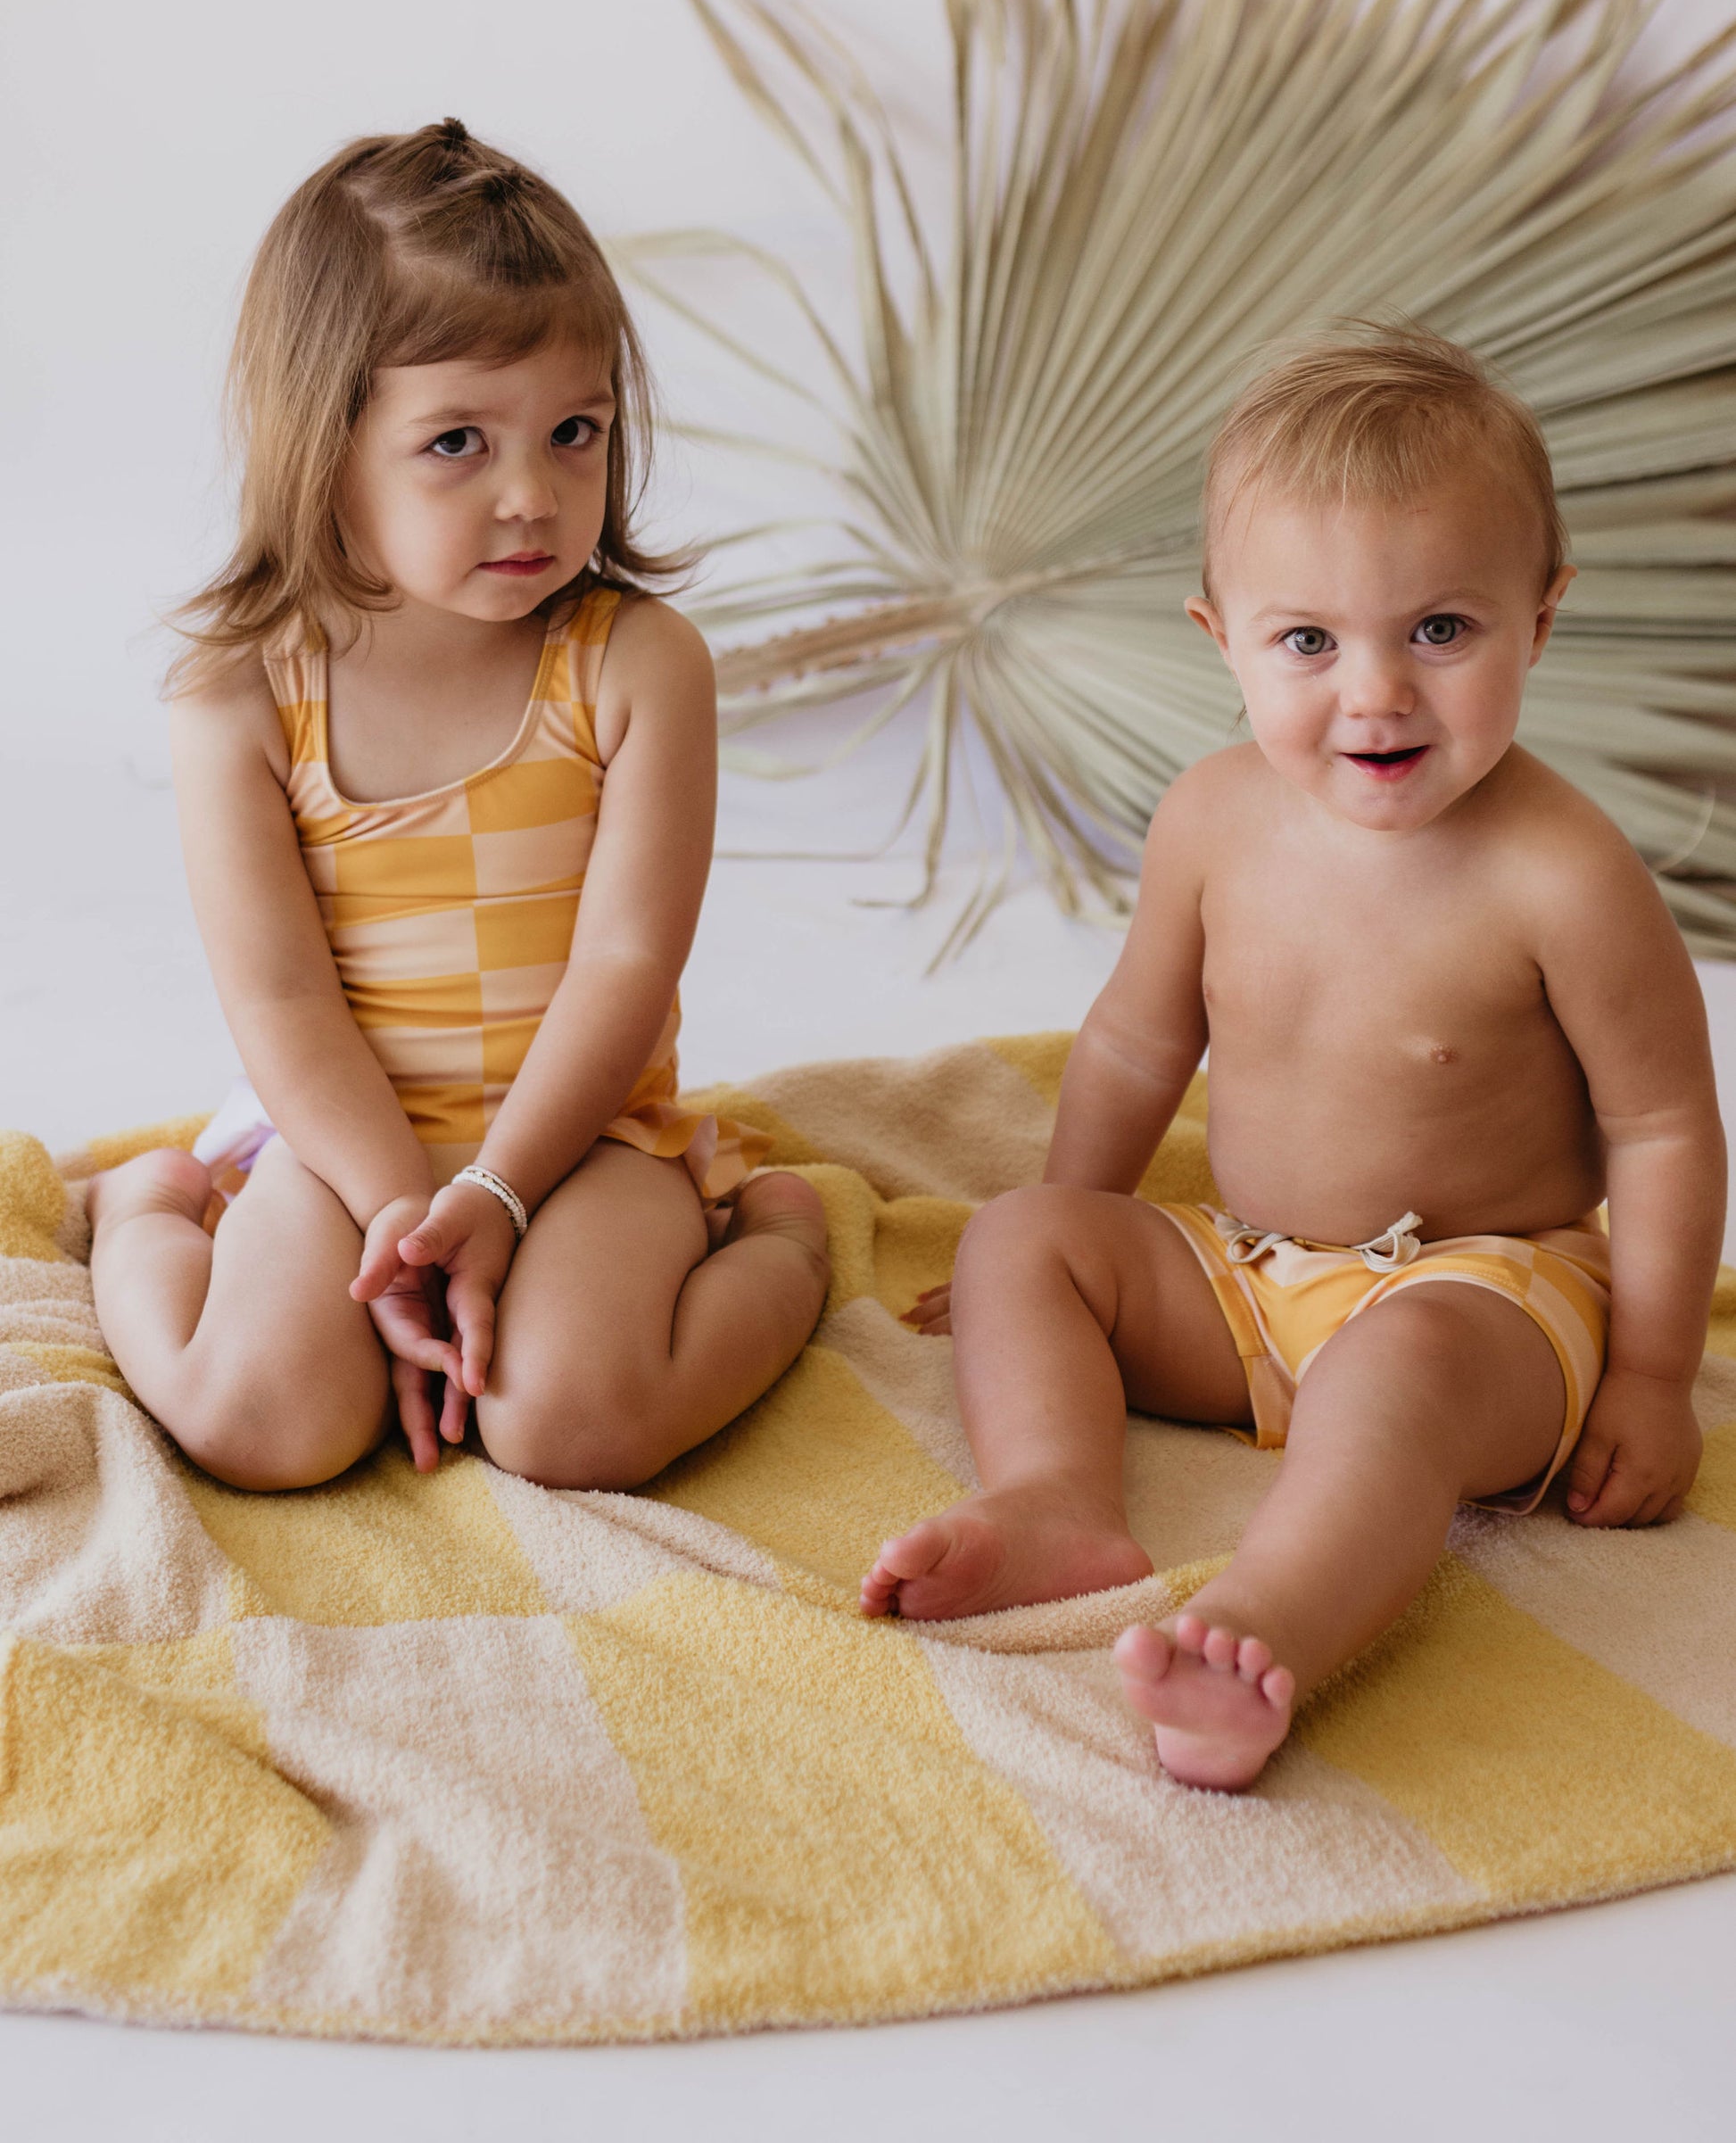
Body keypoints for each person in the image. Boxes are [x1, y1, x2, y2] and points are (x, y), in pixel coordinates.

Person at [861, 326, 1724, 1789]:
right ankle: (1057, 1498)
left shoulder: (1563, 874)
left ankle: (1268, 1627)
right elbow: (1139, 1042)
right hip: (1251, 1271)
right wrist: (1084, 1218)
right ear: (1222, 638)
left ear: (1541, 616)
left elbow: (1660, 1125)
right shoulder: (1208, 822)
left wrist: (1650, 1375)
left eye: (1439, 632)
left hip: (1487, 1294)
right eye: (1308, 642)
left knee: (1390, 1386)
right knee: (1022, 1240)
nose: (1375, 692)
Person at [87, 120, 829, 1491]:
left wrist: (493, 1191)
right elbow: (286, 1009)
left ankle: (777, 1236)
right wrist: (397, 1220)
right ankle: (145, 1212)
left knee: (568, 1427)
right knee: (267, 1426)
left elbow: (623, 966)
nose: (530, 495)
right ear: (325, 446)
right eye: (456, 444)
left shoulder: (632, 665)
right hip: (335, 1137)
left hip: (581, 1126)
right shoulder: (242, 697)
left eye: (573, 432)